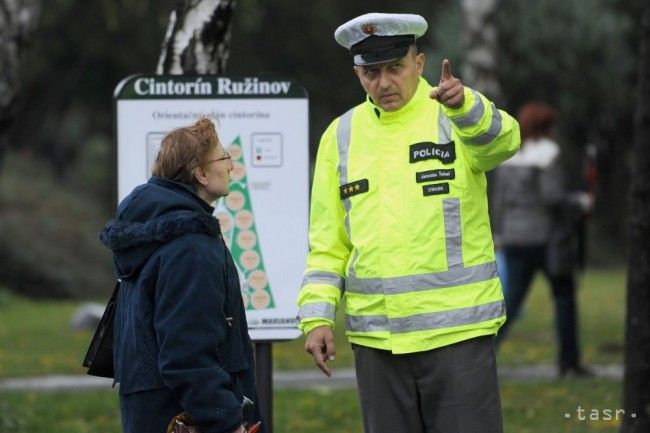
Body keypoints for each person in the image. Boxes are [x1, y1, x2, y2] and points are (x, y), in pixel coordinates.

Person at [296, 12, 520, 433]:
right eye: (370, 72)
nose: (383, 83)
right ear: (357, 73)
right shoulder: (339, 135)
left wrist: (467, 106)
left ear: (419, 63)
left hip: (456, 335)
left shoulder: (454, 114)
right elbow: (327, 243)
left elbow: (505, 142)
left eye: (395, 68)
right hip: (377, 343)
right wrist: (318, 318)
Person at [100, 118, 261, 433]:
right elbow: (187, 356)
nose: (231, 166)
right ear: (201, 173)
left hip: (152, 413)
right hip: (189, 418)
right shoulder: (191, 247)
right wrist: (227, 421)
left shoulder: (154, 234)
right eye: (223, 157)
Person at [491, 102, 593, 377]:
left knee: (510, 303)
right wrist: (580, 202)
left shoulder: (507, 153)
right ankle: (568, 362)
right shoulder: (550, 154)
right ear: (547, 127)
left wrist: (500, 233)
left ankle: (485, 357)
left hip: (514, 237)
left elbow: (498, 200)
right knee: (564, 297)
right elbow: (552, 198)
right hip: (545, 239)